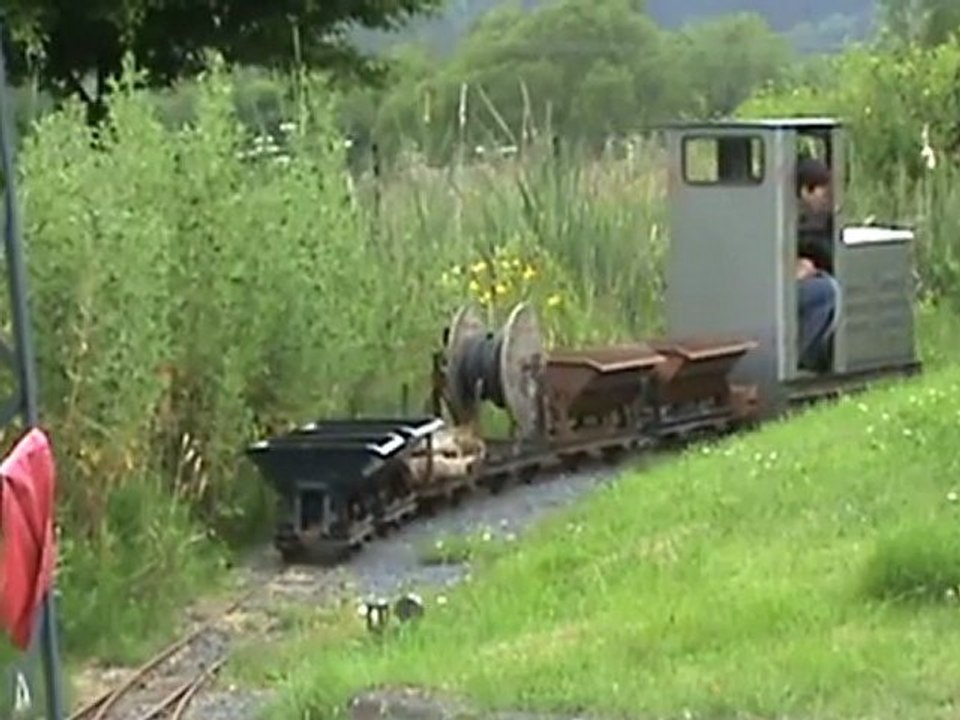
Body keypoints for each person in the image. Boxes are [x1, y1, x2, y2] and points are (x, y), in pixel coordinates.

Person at [795, 156, 839, 372]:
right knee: (825, 291)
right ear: (805, 190)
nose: (826, 201)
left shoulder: (811, 220)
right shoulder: (780, 216)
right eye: (822, 193)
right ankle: (800, 359)